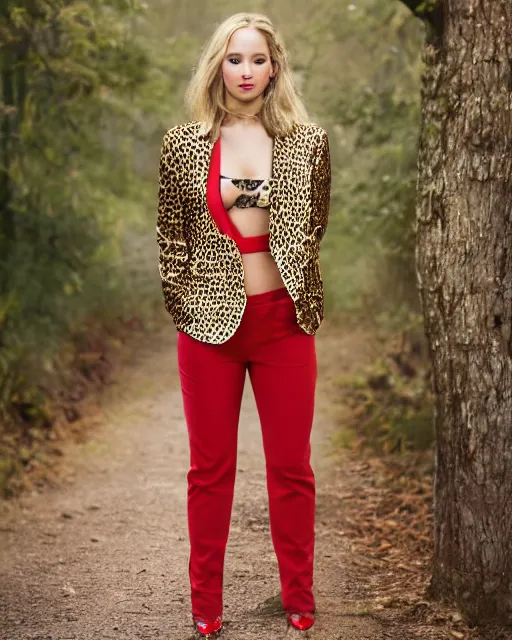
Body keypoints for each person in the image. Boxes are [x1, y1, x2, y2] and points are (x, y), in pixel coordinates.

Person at [156, 12, 331, 638]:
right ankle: (206, 606)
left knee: (292, 468)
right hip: (210, 330)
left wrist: (251, 206)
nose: (247, 71)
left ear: (275, 66)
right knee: (210, 471)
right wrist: (187, 307)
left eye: (258, 59)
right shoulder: (183, 145)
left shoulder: (307, 142)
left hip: (284, 323)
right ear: (218, 65)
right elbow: (171, 240)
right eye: (235, 59)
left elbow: (311, 227)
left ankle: (300, 598)